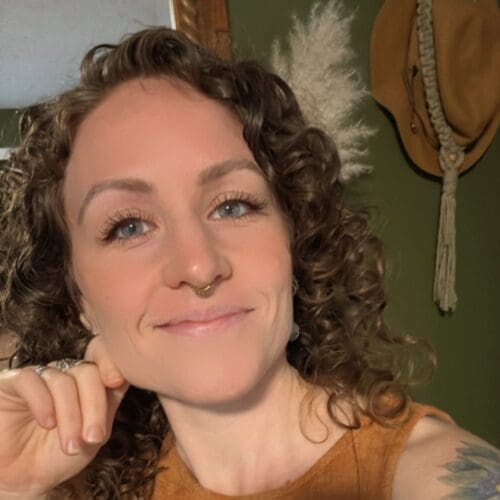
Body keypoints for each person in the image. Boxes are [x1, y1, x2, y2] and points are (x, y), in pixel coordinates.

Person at [0, 27, 497, 500]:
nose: (199, 266)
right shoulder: (71, 485)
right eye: (129, 226)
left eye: (233, 206)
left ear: (292, 239)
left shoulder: (431, 474)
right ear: (78, 296)